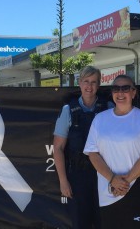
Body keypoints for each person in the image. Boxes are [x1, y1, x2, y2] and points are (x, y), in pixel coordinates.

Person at [84, 75, 140, 229]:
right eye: (116, 88)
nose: (120, 93)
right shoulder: (100, 119)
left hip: (135, 188)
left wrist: (125, 182)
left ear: (133, 92)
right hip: (108, 191)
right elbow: (92, 154)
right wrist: (112, 179)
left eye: (125, 88)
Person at [53, 66, 112, 228]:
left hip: (103, 174)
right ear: (79, 83)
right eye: (86, 81)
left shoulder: (108, 107)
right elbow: (58, 148)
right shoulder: (68, 110)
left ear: (99, 85)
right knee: (80, 223)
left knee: (104, 221)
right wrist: (63, 181)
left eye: (94, 82)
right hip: (78, 176)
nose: (89, 86)